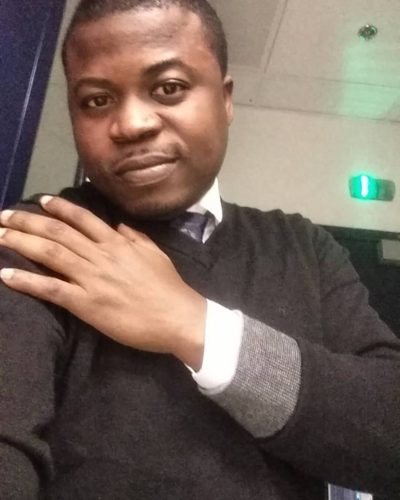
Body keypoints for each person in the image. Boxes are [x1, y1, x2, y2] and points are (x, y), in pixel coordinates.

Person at [0, 1, 399, 498]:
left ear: (226, 100)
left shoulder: (303, 248)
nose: (132, 123)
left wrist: (194, 324)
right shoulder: (43, 240)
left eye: (168, 88)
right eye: (97, 100)